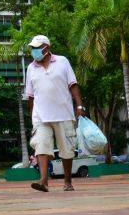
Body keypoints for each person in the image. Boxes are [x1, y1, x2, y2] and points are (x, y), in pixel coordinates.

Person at [25, 35, 85, 193]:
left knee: (66, 150)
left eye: (38, 48)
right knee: (41, 146)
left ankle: (67, 181)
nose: (34, 51)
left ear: (47, 48)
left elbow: (73, 85)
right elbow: (30, 96)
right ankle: (44, 181)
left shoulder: (62, 61)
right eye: (33, 48)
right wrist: (32, 116)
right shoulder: (31, 68)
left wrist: (79, 105)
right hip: (41, 117)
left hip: (63, 113)